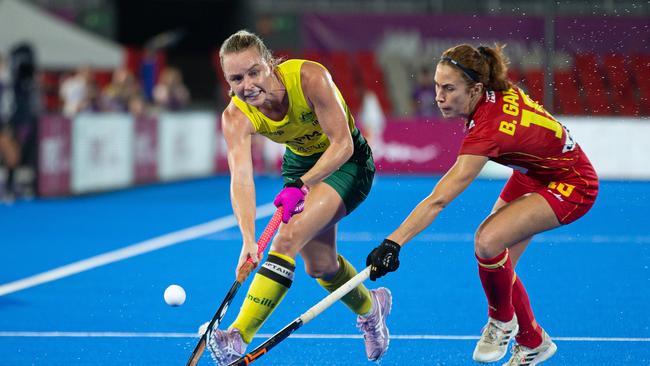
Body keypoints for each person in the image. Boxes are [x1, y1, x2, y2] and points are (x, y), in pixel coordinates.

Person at [365, 43, 599, 366]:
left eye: (449, 89)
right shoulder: (491, 94)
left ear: (476, 89)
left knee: (487, 242)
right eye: (436, 86)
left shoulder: (487, 129)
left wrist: (394, 242)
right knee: (499, 265)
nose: (439, 97)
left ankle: (502, 321)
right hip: (537, 171)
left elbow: (439, 199)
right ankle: (532, 342)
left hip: (572, 183)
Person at [204, 30, 392, 365]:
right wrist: (248, 239)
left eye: (253, 72)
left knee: (286, 239)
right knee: (321, 266)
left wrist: (303, 185)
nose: (247, 85)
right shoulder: (235, 116)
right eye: (236, 79)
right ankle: (372, 309)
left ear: (271, 64)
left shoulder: (310, 78)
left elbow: (343, 144)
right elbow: (242, 179)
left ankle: (236, 336)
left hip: (348, 162)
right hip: (300, 167)